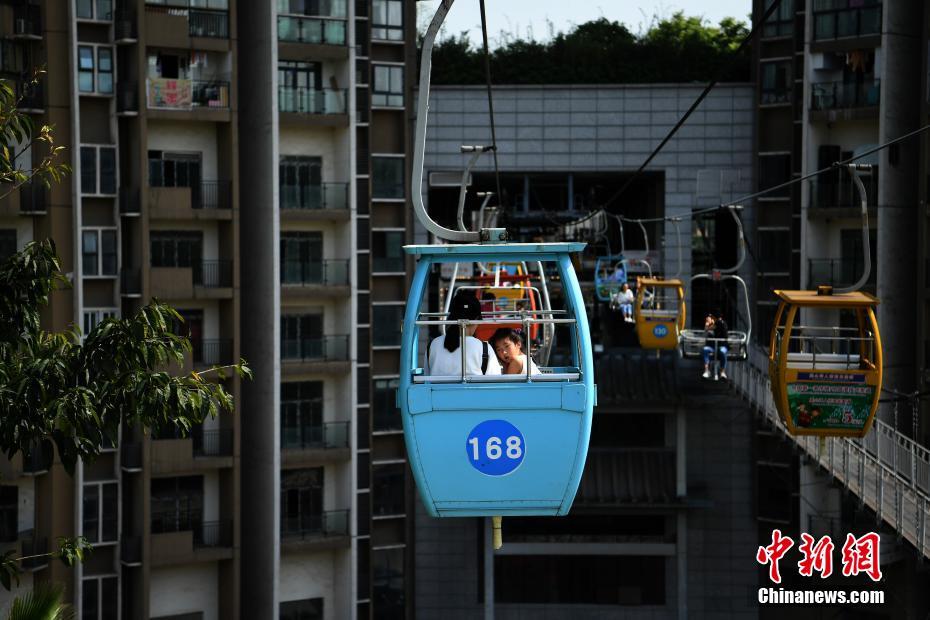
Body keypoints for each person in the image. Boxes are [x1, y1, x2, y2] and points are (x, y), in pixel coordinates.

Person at [428, 291, 502, 377]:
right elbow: (495, 382)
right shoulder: (484, 349)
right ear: (477, 319)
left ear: (452, 318)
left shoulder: (433, 345)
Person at [702, 314, 729, 380]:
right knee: (705, 350)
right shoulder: (713, 326)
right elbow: (706, 332)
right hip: (713, 347)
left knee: (722, 352)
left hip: (721, 345)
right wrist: (708, 324)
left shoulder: (720, 323)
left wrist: (708, 324)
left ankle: (722, 372)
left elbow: (710, 328)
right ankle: (706, 370)